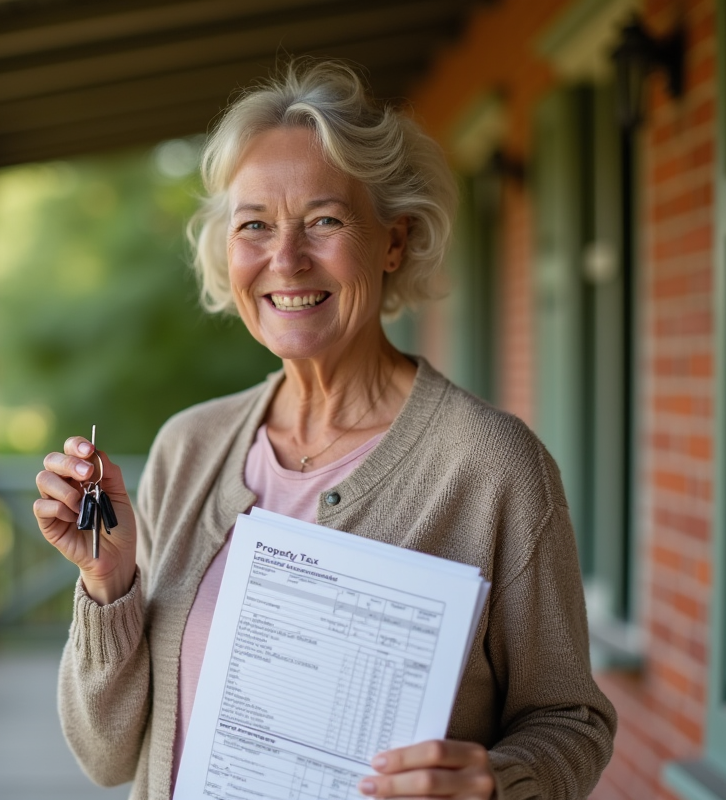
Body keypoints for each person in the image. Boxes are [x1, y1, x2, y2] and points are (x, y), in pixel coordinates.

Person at [34, 59, 616, 800]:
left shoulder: (494, 468)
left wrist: (497, 782)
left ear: (394, 241)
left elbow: (571, 721)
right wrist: (109, 583)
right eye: (255, 226)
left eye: (324, 221)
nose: (286, 259)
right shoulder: (191, 447)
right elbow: (107, 758)